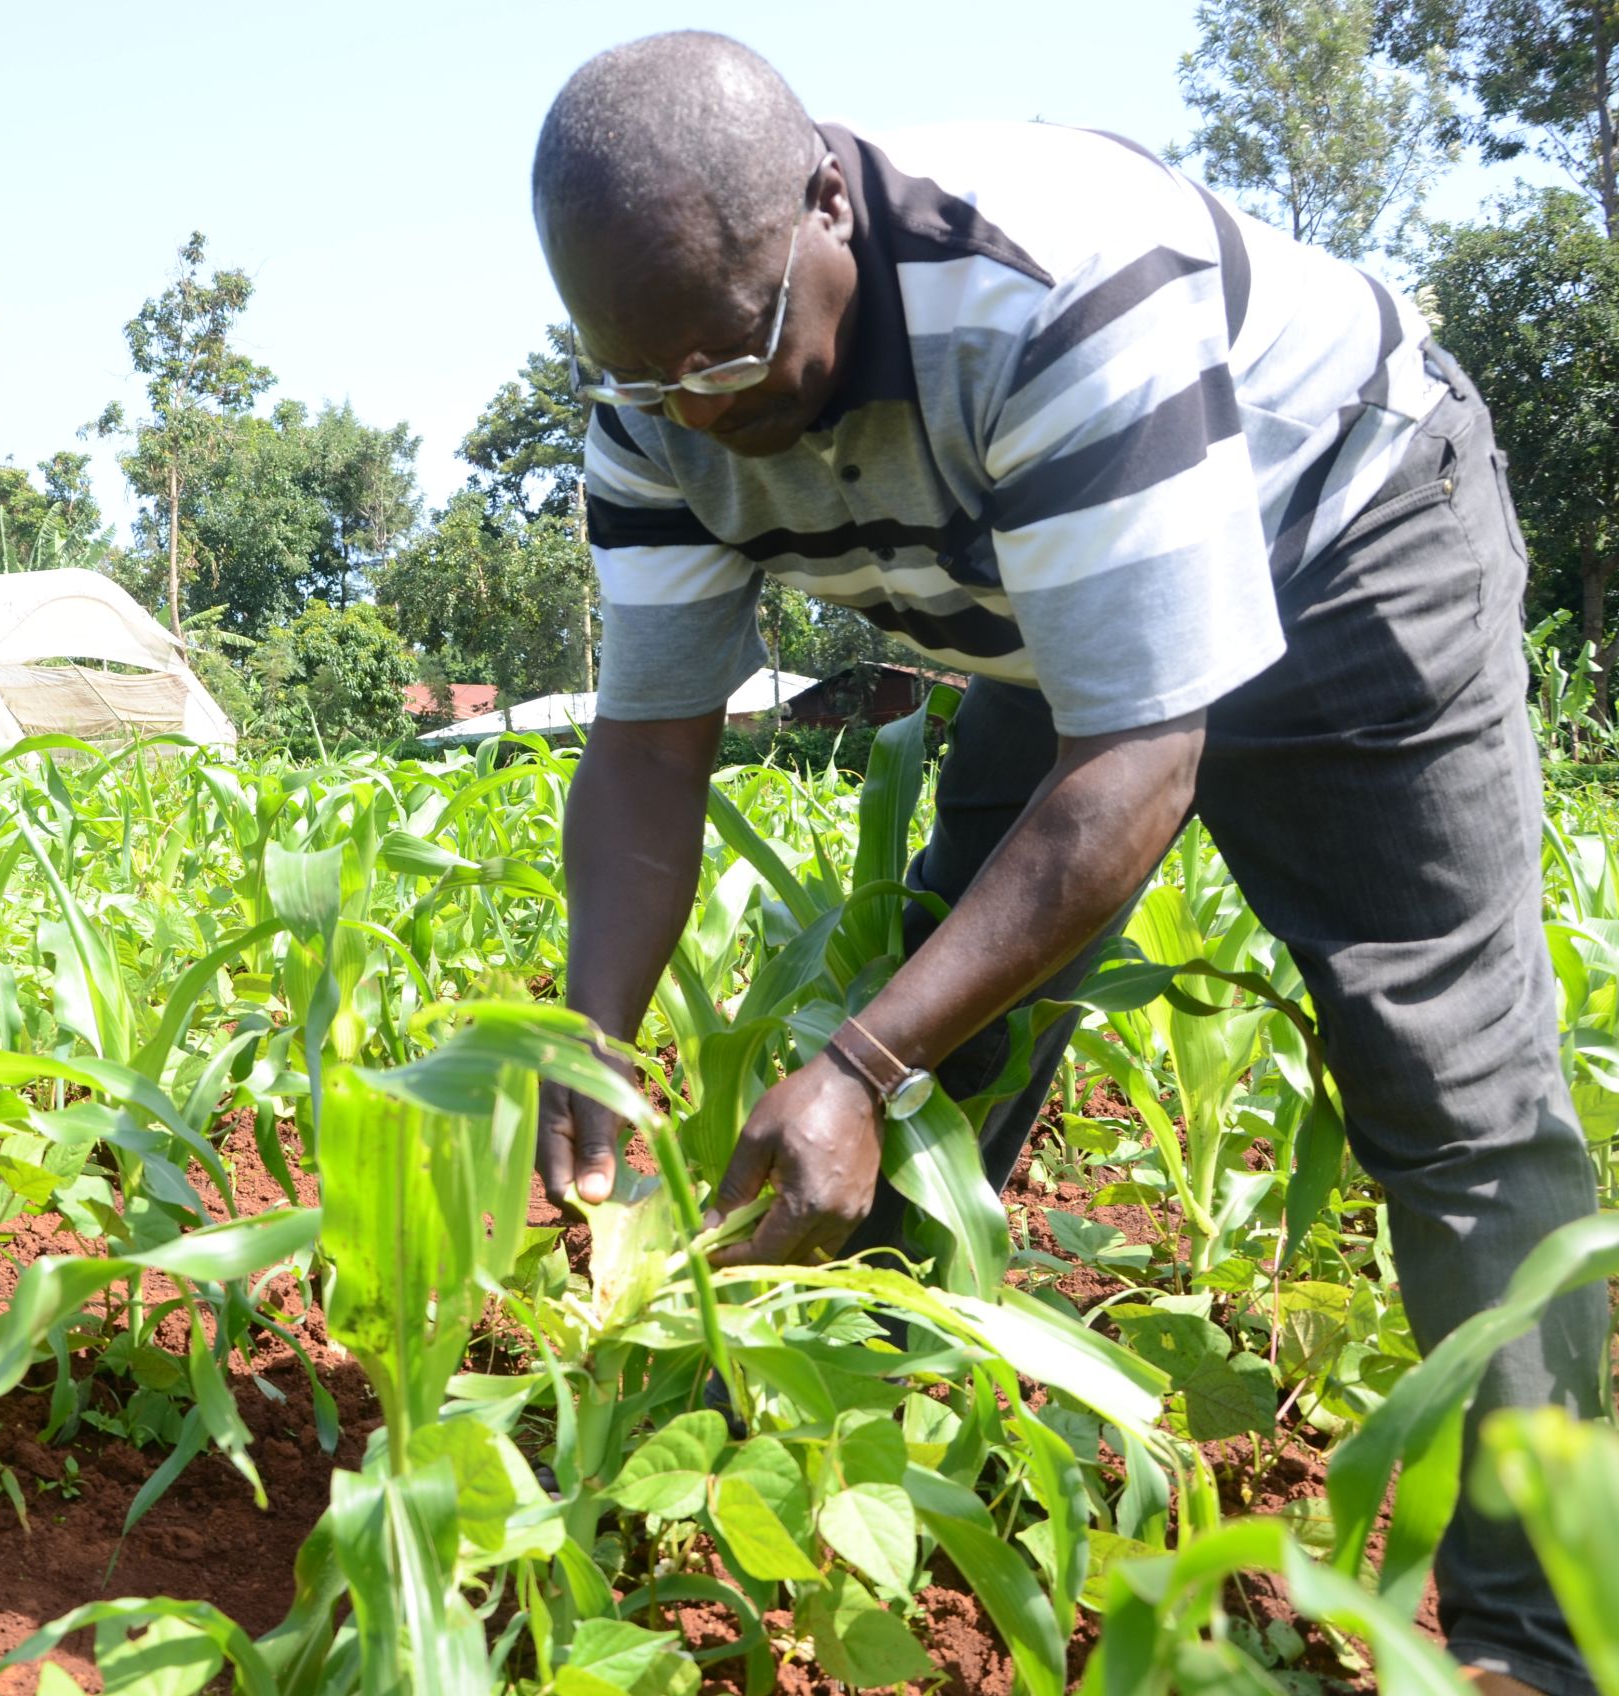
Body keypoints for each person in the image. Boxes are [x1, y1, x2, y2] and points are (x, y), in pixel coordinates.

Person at [526, 31, 1607, 1695]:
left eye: (733, 354)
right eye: (653, 380)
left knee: (1452, 1084)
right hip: (1052, 617)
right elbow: (653, 747)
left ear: (832, 195)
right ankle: (842, 1481)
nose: (711, 415)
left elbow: (1141, 759)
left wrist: (857, 1060)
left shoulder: (1048, 284)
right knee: (942, 1063)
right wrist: (590, 1029)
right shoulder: (659, 390)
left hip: (1340, 542)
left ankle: (1541, 1640)